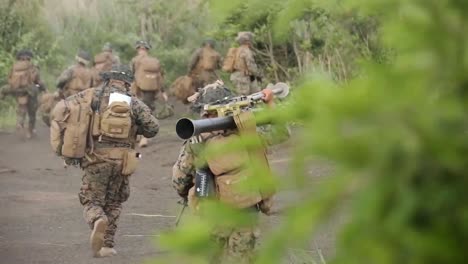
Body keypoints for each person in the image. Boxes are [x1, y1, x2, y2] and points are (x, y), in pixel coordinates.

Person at [172, 84, 288, 263]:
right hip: (246, 212)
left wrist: (189, 193)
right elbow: (281, 132)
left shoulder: (196, 140)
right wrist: (271, 104)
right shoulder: (248, 131)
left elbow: (180, 180)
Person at [52, 64, 159, 257]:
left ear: (108, 79)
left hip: (95, 158)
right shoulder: (132, 102)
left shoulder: (91, 96)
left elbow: (63, 111)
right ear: (127, 83)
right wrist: (135, 128)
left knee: (91, 200)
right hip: (123, 161)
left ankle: (97, 218)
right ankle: (107, 245)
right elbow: (153, 128)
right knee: (114, 202)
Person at [130, 40, 170, 147]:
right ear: (147, 50)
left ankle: (138, 137)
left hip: (137, 89)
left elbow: (131, 74)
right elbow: (160, 77)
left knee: (134, 112)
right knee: (147, 112)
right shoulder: (155, 61)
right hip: (150, 90)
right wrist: (163, 91)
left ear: (138, 49)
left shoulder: (135, 60)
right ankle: (144, 137)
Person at [0, 49, 46, 138]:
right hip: (29, 90)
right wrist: (44, 89)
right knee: (32, 112)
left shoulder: (14, 66)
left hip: (15, 89)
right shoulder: (33, 67)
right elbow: (38, 81)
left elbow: (9, 78)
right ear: (29, 58)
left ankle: (20, 123)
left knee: (21, 106)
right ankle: (30, 131)